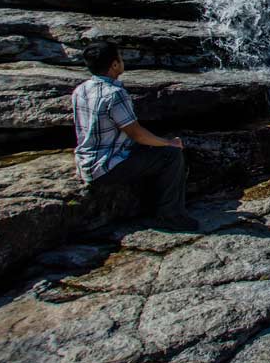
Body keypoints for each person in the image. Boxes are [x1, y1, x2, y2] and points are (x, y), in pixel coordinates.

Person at [71, 40, 199, 232]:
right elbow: (137, 134)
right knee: (170, 155)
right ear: (114, 64)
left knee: (153, 148)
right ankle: (170, 216)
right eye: (120, 57)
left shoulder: (80, 90)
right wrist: (169, 143)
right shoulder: (114, 94)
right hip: (106, 167)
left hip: (86, 162)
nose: (123, 61)